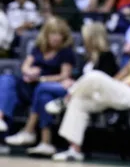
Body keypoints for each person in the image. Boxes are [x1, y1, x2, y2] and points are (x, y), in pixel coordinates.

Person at [50, 22, 130, 162]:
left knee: (94, 75)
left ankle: (65, 99)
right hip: (120, 93)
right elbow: (115, 79)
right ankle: (74, 150)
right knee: (79, 101)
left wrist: (124, 83)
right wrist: (112, 84)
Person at [0, 18, 75, 148]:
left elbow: (64, 75)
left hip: (47, 88)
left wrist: (41, 79)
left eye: (60, 34)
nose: (56, 37)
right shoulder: (39, 48)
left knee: (43, 93)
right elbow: (25, 66)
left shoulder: (66, 52)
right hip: (29, 86)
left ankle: (41, 140)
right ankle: (0, 118)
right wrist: (29, 72)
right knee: (7, 79)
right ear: (46, 34)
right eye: (53, 33)